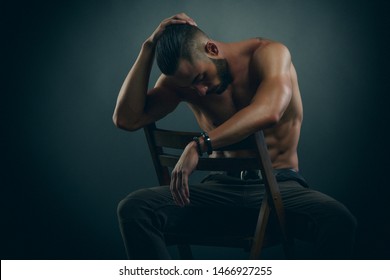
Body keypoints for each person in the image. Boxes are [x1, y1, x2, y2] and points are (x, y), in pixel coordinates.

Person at [113, 13, 357, 259]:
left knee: (337, 219)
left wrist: (199, 145)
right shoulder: (184, 81)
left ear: (211, 49)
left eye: (200, 78)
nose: (200, 91)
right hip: (221, 192)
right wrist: (148, 47)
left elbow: (269, 111)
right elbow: (127, 119)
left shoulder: (268, 54)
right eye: (190, 87)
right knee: (135, 208)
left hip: (278, 190)